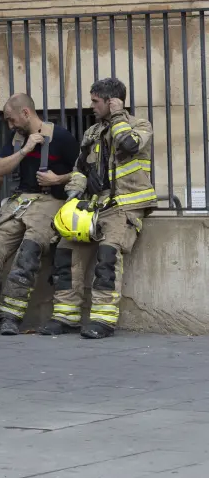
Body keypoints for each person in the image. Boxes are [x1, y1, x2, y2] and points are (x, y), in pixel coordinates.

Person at [41, 78, 155, 339]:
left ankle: (103, 319)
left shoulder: (139, 125)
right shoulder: (91, 132)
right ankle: (65, 315)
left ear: (112, 101)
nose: (91, 106)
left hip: (125, 205)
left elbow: (130, 145)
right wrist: (73, 196)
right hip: (93, 205)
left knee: (107, 256)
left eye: (95, 101)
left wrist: (117, 116)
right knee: (66, 252)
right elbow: (80, 169)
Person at [0, 93, 79, 335]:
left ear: (26, 113)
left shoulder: (62, 137)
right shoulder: (17, 139)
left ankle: (10, 317)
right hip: (20, 202)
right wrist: (25, 149)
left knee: (28, 254)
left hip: (50, 201)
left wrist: (58, 178)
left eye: (11, 119)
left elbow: (82, 171)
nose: (10, 125)